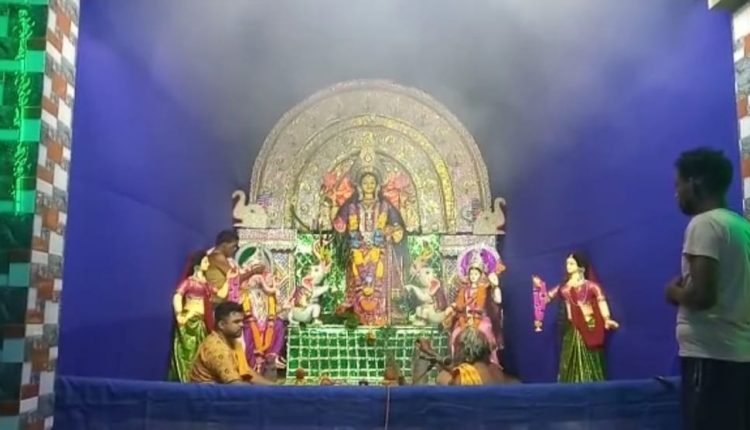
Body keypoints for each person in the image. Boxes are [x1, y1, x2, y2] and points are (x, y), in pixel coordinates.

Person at [666, 147, 750, 430]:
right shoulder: (740, 226)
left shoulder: (703, 224)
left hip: (710, 359)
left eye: (678, 185)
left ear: (694, 182)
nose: (677, 194)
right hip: (737, 356)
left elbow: (703, 296)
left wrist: (673, 292)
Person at [539, 253, 618, 383]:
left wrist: (607, 318)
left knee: (590, 359)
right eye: (567, 263)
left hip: (588, 327)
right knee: (568, 359)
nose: (568, 266)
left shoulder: (591, 286)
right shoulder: (564, 287)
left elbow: (601, 301)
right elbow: (546, 298)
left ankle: (592, 387)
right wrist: (539, 288)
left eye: (571, 264)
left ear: (581, 267)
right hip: (571, 328)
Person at [189, 301, 273, 385]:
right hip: (206, 392)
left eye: (242, 321)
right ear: (221, 325)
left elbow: (247, 372)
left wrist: (274, 387)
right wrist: (262, 391)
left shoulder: (233, 342)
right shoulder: (217, 348)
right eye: (236, 322)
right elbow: (234, 385)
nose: (242, 325)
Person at [167, 251, 214, 382]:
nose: (208, 264)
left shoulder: (206, 284)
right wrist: (179, 314)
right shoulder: (189, 282)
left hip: (201, 323)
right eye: (206, 261)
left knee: (199, 353)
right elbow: (177, 296)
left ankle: (197, 379)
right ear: (197, 265)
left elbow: (221, 294)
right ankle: (184, 380)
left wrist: (231, 278)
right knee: (187, 352)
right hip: (188, 322)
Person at [436, 327, 514, 385]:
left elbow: (449, 383)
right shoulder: (497, 371)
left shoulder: (462, 377)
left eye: (456, 348)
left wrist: (443, 377)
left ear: (462, 350)